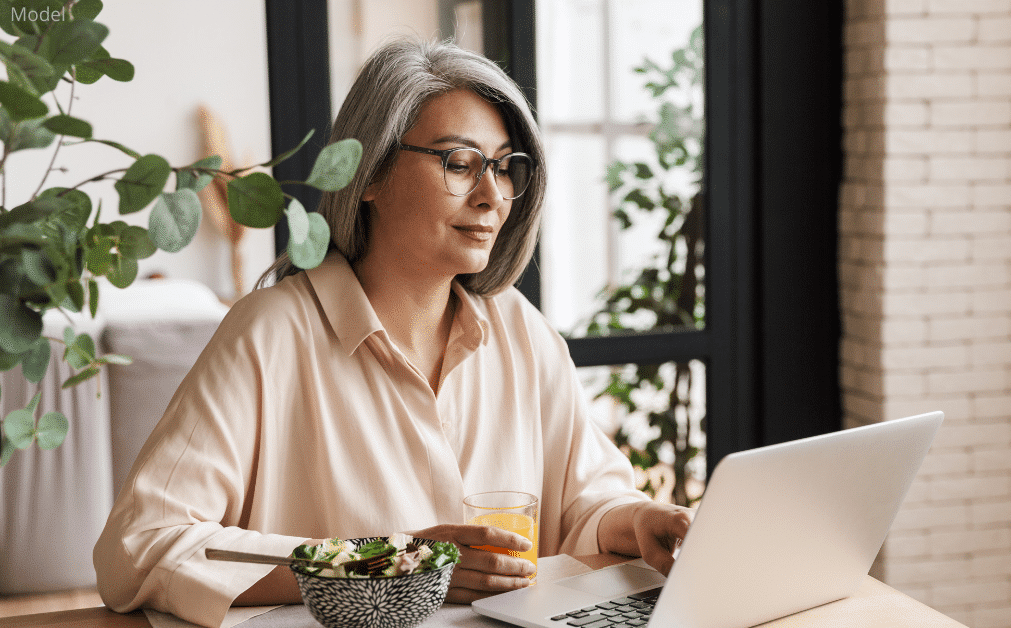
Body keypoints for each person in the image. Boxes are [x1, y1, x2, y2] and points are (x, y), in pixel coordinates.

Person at [92, 38, 692, 628]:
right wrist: (385, 565)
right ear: (369, 172)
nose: (492, 196)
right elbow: (140, 546)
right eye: (460, 163)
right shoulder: (269, 333)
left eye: (506, 167)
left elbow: (583, 503)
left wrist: (635, 521)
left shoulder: (521, 331)